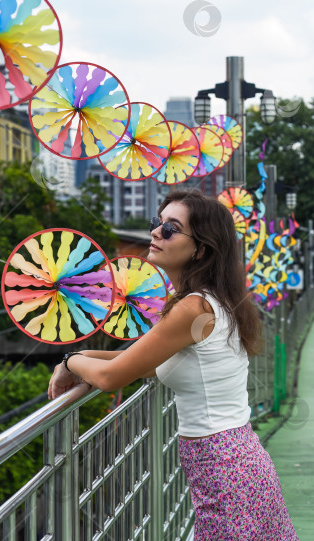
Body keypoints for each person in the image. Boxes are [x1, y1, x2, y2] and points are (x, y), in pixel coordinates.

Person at [47, 191, 297, 540]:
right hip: (237, 465)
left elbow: (109, 377)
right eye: (157, 223)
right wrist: (77, 362)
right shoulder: (212, 301)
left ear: (200, 249)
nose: (155, 233)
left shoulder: (193, 309)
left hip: (225, 473)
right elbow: (142, 363)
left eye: (170, 229)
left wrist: (70, 360)